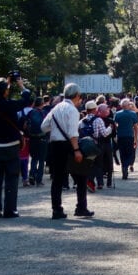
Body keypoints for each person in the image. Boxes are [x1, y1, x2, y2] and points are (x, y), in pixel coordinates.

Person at [41, 82, 92, 218]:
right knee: (80, 177)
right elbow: (73, 133)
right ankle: (81, 207)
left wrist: (56, 129)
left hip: (55, 145)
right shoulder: (73, 110)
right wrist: (76, 150)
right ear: (77, 95)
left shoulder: (56, 108)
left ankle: (56, 209)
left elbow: (44, 127)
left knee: (57, 179)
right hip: (69, 145)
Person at [0, 77, 24, 219]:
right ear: (6, 91)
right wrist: (21, 86)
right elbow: (26, 99)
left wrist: (5, 83)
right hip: (12, 145)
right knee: (11, 178)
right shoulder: (11, 105)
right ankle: (10, 209)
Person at [22, 97, 48, 187]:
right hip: (43, 138)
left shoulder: (30, 113)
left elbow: (25, 126)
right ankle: (39, 180)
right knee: (41, 160)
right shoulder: (44, 113)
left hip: (32, 138)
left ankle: (31, 175)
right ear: (42, 104)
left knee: (34, 158)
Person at [113, 99, 138, 181]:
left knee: (122, 153)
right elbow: (135, 127)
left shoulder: (117, 114)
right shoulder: (133, 114)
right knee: (130, 152)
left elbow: (115, 125)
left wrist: (117, 132)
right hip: (129, 136)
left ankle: (123, 167)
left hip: (120, 136)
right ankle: (126, 165)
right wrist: (136, 138)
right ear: (128, 105)